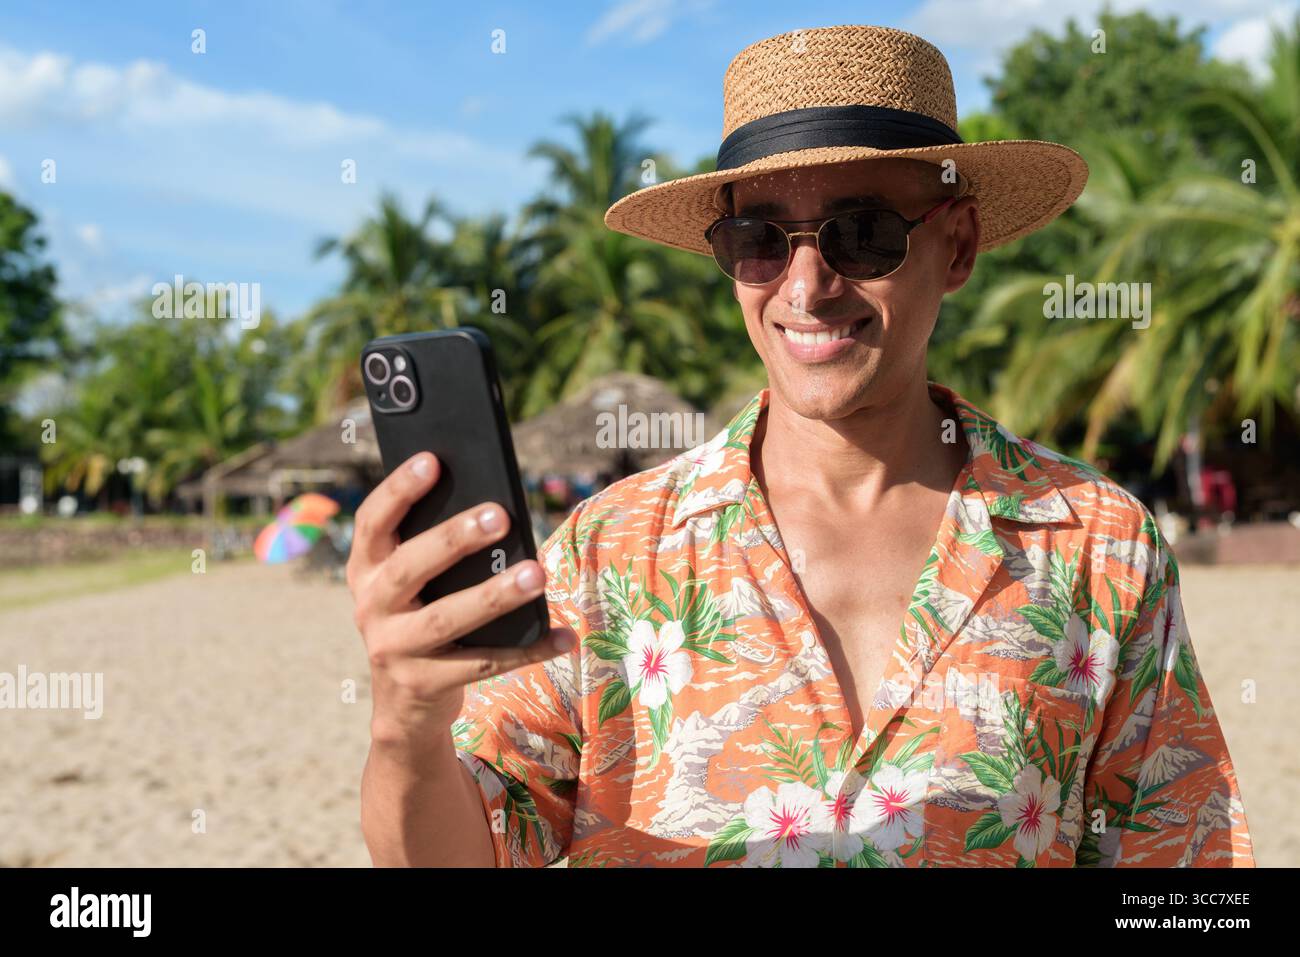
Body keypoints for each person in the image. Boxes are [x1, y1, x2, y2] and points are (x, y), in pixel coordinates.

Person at [347, 24, 1254, 867]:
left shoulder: (1101, 548)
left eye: (864, 233)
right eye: (760, 239)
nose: (807, 286)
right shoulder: (608, 554)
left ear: (961, 244)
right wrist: (407, 725)